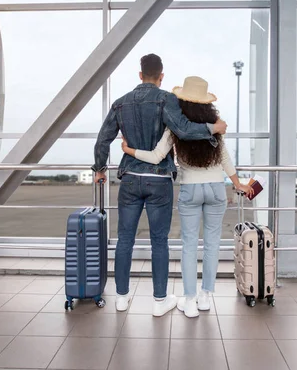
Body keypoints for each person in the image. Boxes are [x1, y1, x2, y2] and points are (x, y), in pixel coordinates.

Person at [92, 54, 228, 317]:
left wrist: (99, 168)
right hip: (159, 181)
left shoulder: (120, 103)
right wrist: (214, 128)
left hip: (130, 178)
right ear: (161, 75)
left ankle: (121, 298)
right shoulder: (167, 99)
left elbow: (103, 139)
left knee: (125, 240)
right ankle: (159, 301)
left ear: (140, 74)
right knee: (159, 242)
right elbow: (185, 130)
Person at [122, 75, 253, 318]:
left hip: (190, 189)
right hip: (216, 189)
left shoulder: (176, 128)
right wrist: (237, 183)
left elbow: (156, 156)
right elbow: (224, 157)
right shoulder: (216, 124)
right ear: (207, 104)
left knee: (189, 246)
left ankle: (190, 301)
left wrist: (129, 150)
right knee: (212, 245)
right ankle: (205, 298)